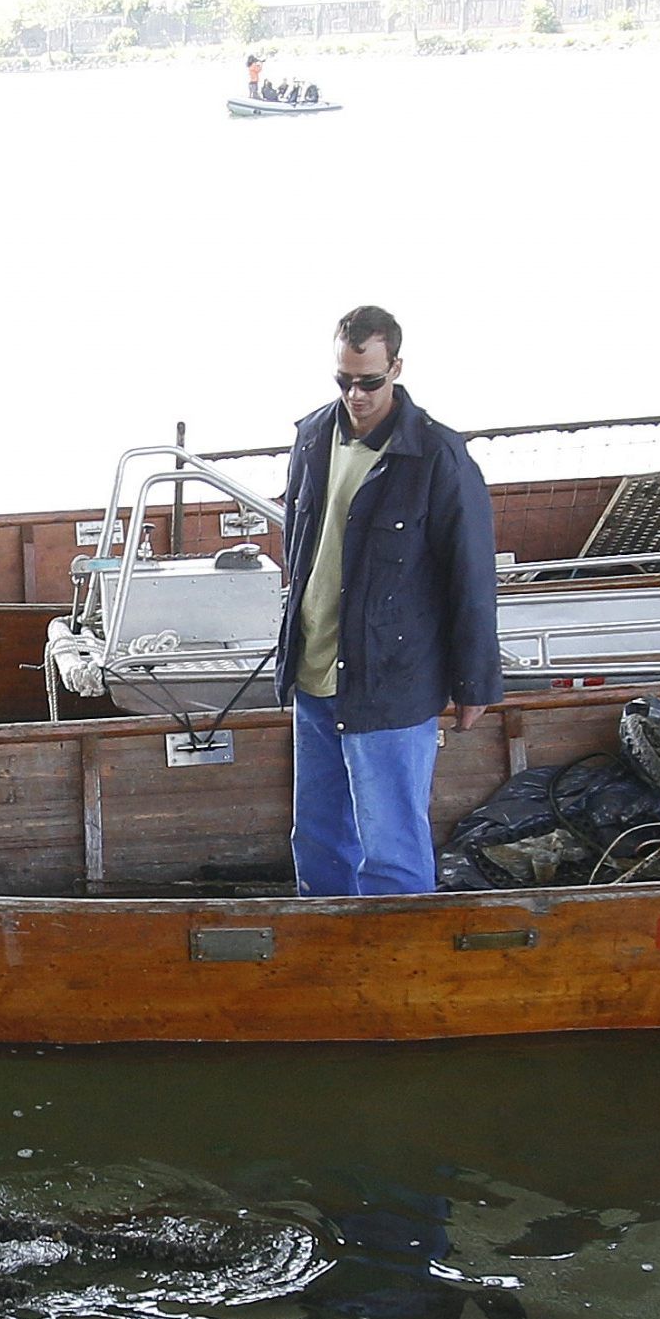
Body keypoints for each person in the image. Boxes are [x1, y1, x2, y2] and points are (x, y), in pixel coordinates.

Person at [270, 305, 499, 896]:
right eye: (343, 380)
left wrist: (475, 683)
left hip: (393, 682)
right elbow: (300, 548)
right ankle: (325, 956)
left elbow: (471, 576)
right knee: (318, 837)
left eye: (369, 380)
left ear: (396, 366)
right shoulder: (311, 437)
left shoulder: (440, 456)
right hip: (313, 675)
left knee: (391, 848)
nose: (356, 394)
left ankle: (401, 970)